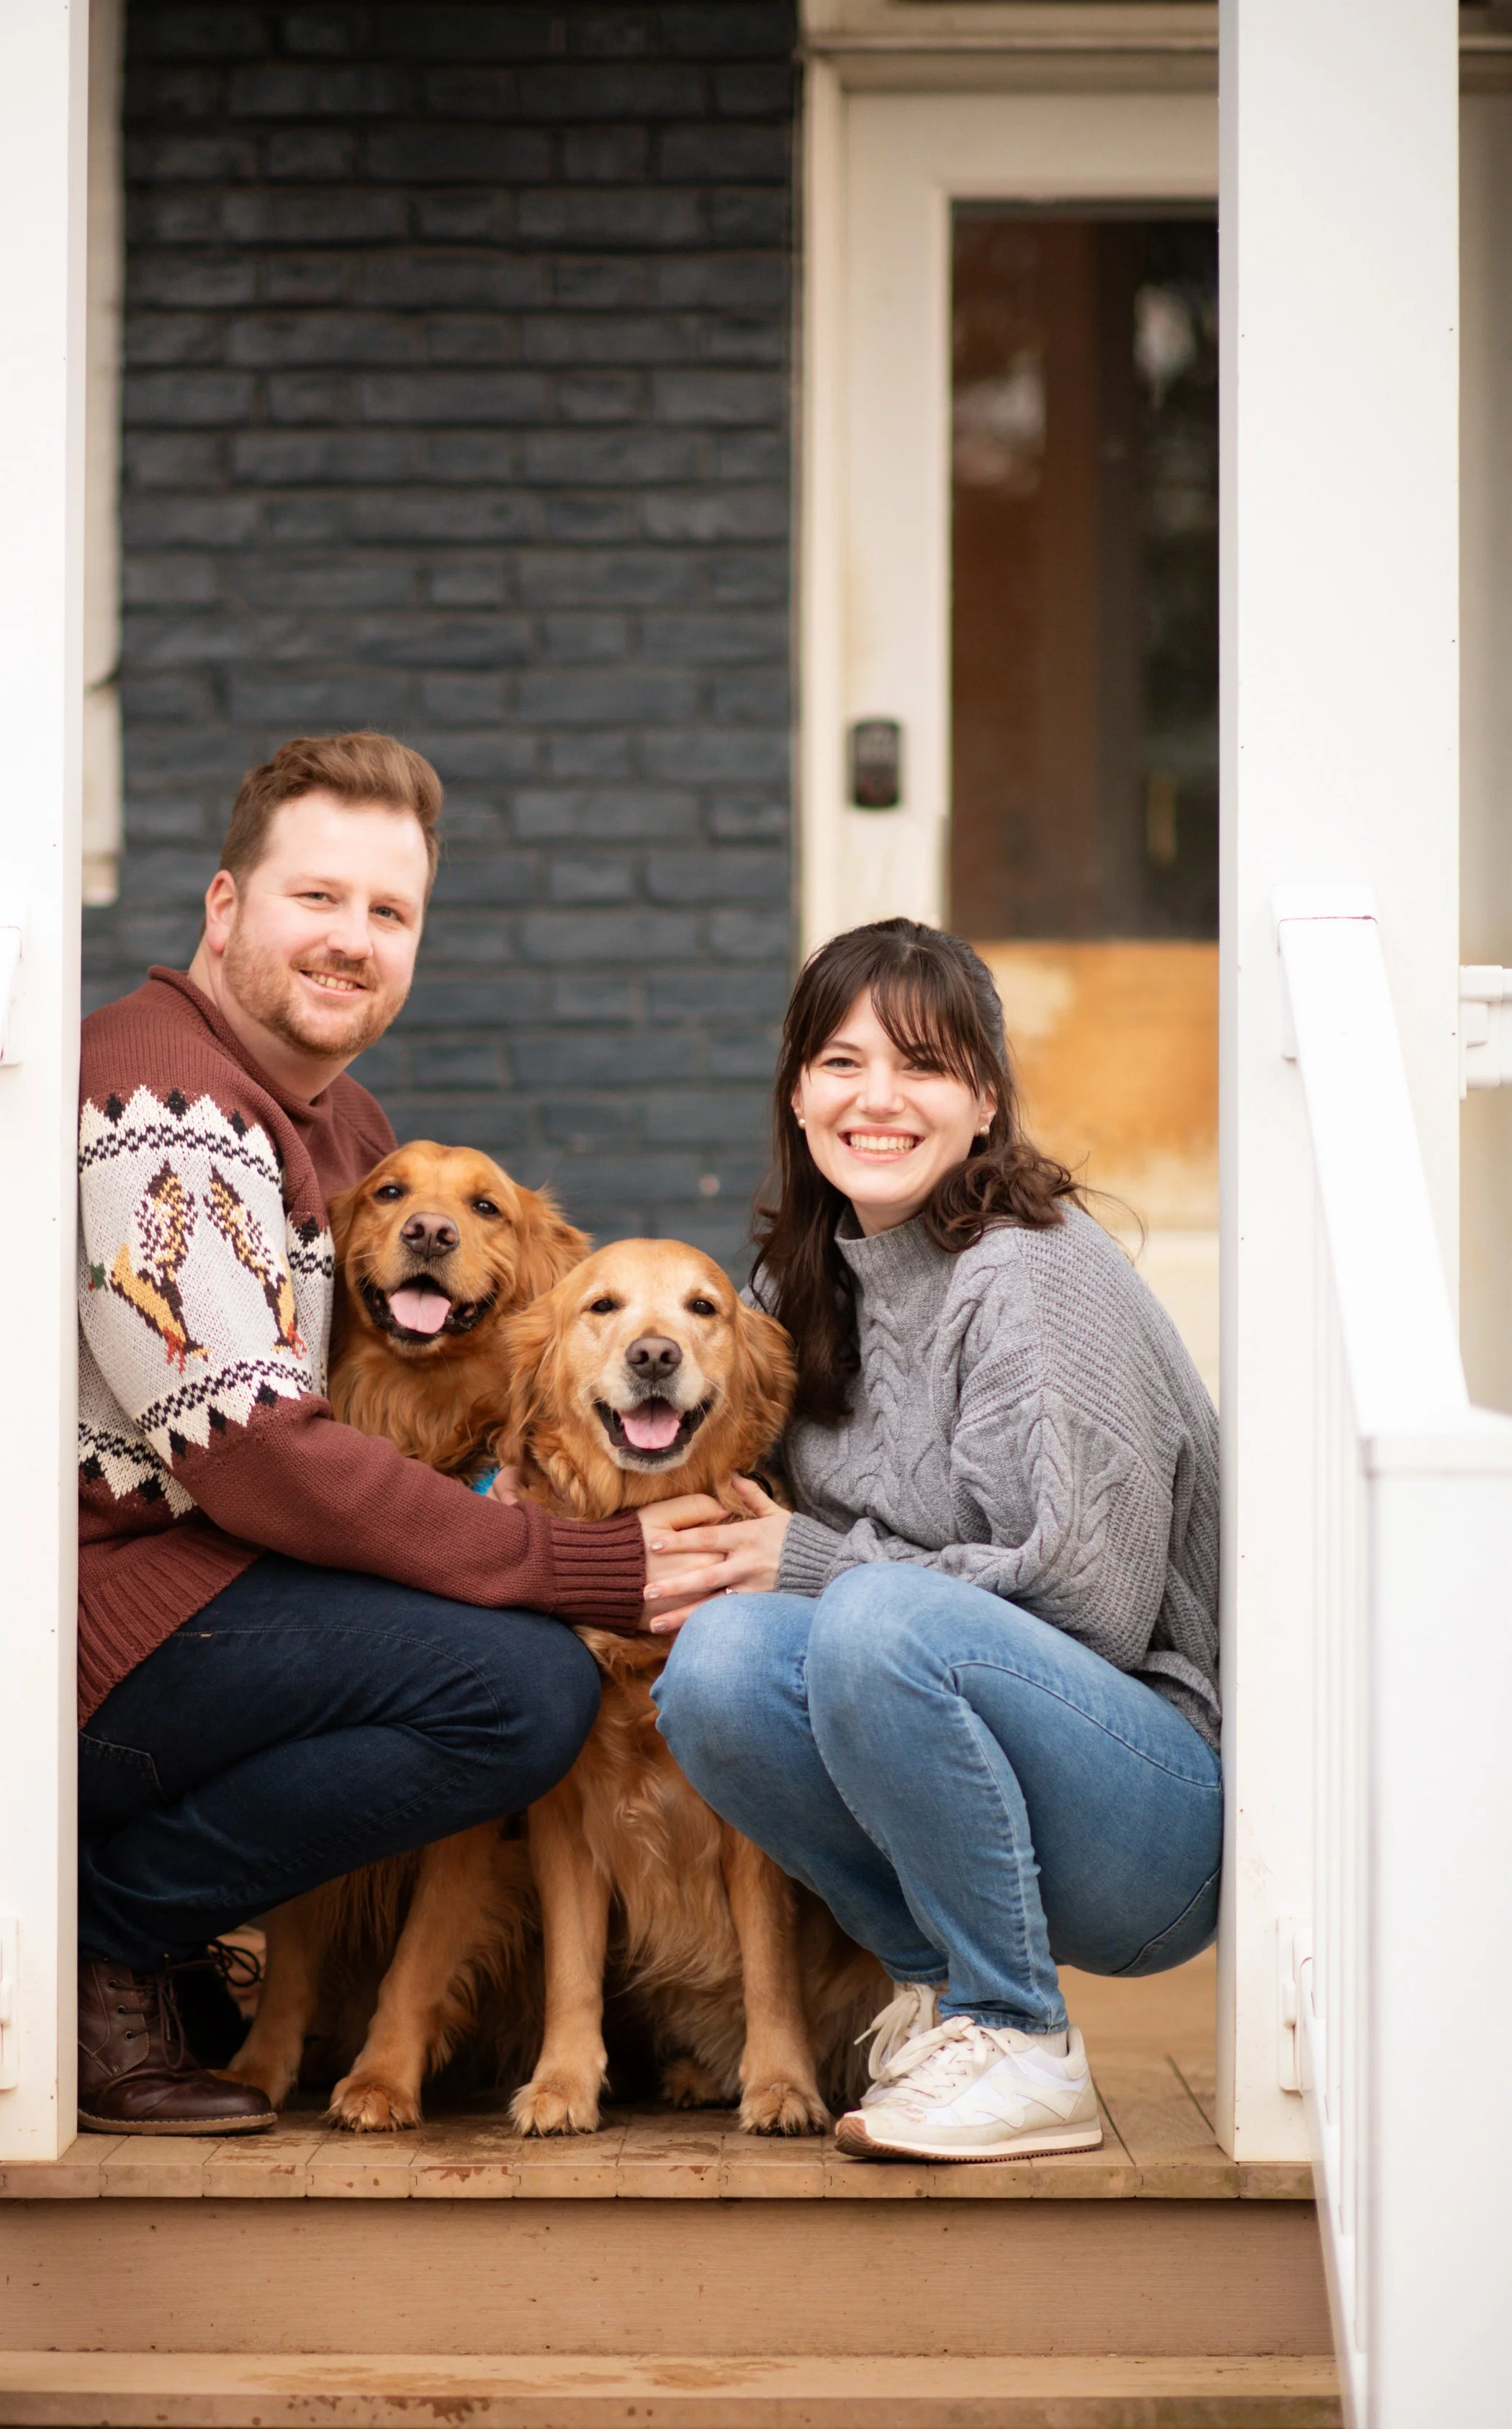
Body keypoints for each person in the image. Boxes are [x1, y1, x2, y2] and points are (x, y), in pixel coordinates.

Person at [73, 732, 701, 2135]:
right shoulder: (158, 1107)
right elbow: (259, 1453)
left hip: (220, 1593)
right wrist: (589, 1563)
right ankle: (106, 1933)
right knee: (518, 1692)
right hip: (103, 1625)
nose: (351, 939)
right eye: (317, 898)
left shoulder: (332, 1117)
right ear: (224, 909)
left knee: (505, 1661)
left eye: (388, 912)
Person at [644, 918, 1221, 2163]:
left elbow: (1094, 1603)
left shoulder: (1032, 1272)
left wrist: (811, 1563)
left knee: (863, 1616)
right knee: (721, 1664)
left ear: (986, 1103)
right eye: (842, 1063)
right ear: (797, 1093)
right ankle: (941, 2004)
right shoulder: (802, 1287)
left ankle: (1022, 2034)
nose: (878, 1099)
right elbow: (726, 1528)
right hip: (969, 1785)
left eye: (923, 1065)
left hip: (1153, 1807)